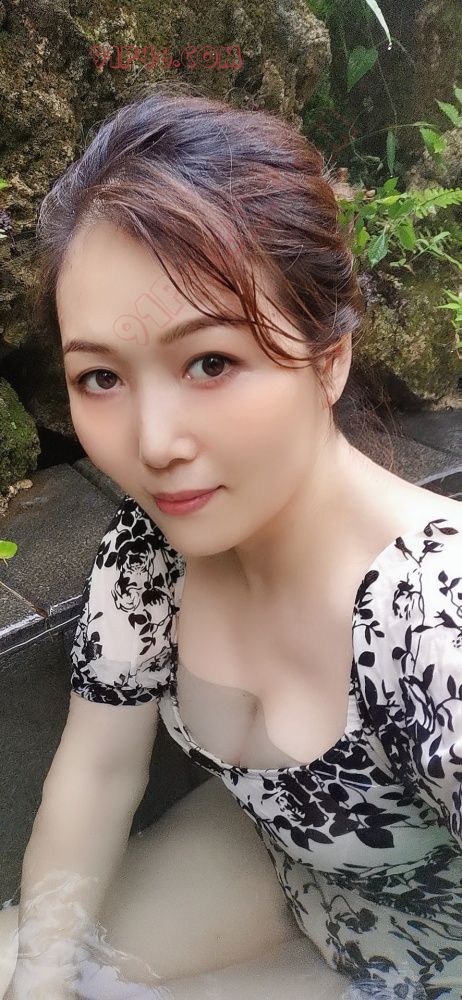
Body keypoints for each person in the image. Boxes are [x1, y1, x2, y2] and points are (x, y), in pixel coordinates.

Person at [3, 85, 461, 1000]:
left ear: (328, 356)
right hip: (284, 871)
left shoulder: (432, 627)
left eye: (210, 361)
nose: (154, 444)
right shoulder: (149, 559)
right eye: (101, 377)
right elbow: (96, 774)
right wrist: (42, 981)